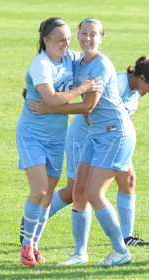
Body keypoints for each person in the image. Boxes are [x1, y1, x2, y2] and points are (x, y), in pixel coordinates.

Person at [16, 16, 102, 267]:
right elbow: (52, 101)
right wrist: (82, 88)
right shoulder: (40, 64)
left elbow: (92, 57)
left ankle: (34, 245)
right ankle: (26, 246)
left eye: (68, 39)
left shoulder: (70, 58)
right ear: (46, 41)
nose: (66, 44)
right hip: (31, 135)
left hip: (56, 139)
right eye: (60, 40)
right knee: (40, 191)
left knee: (47, 196)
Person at [54, 17, 137, 266]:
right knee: (79, 191)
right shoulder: (77, 61)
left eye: (94, 34)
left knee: (93, 192)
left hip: (116, 134)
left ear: (101, 38)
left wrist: (49, 108)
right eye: (84, 33)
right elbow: (57, 80)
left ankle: (121, 251)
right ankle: (80, 253)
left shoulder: (102, 65)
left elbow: (89, 104)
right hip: (97, 134)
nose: (88, 38)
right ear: (78, 35)